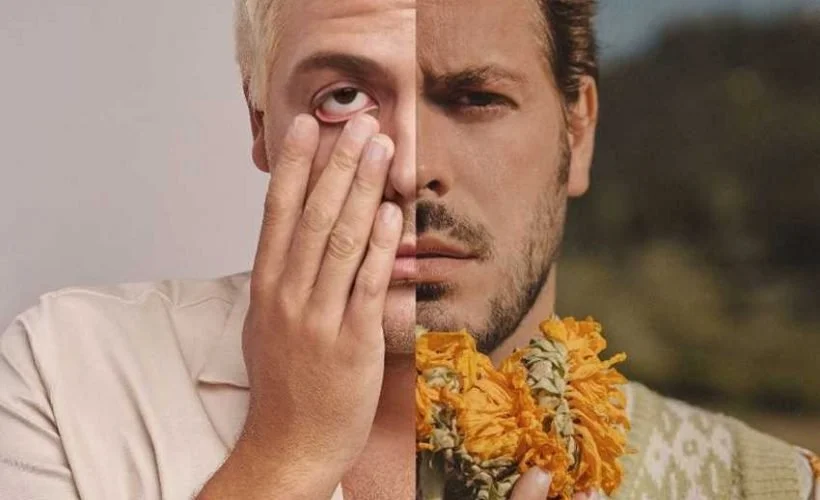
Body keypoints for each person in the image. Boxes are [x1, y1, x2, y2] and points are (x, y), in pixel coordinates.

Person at [0, 1, 816, 499]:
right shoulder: (65, 380)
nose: (415, 168)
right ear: (259, 125)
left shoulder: (760, 484)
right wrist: (289, 455)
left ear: (578, 128)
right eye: (344, 97)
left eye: (475, 97)